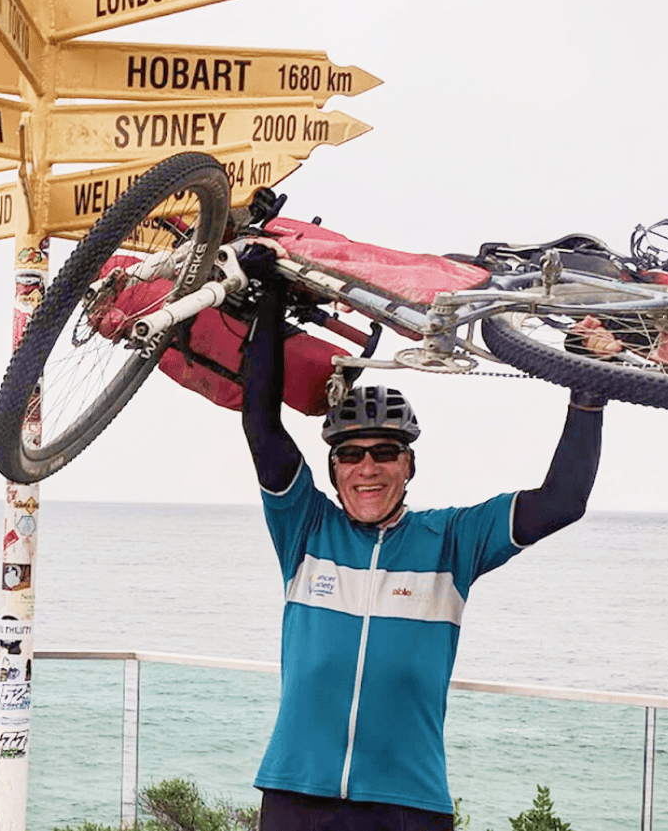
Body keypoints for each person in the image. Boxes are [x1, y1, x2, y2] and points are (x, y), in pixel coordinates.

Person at [239, 240, 605, 830]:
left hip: (408, 800)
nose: (367, 468)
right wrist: (269, 300)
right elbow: (261, 422)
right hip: (296, 791)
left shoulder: (451, 539)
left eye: (385, 452)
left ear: (408, 465)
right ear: (333, 469)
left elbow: (564, 501)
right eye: (350, 454)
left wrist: (588, 388)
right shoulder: (305, 528)